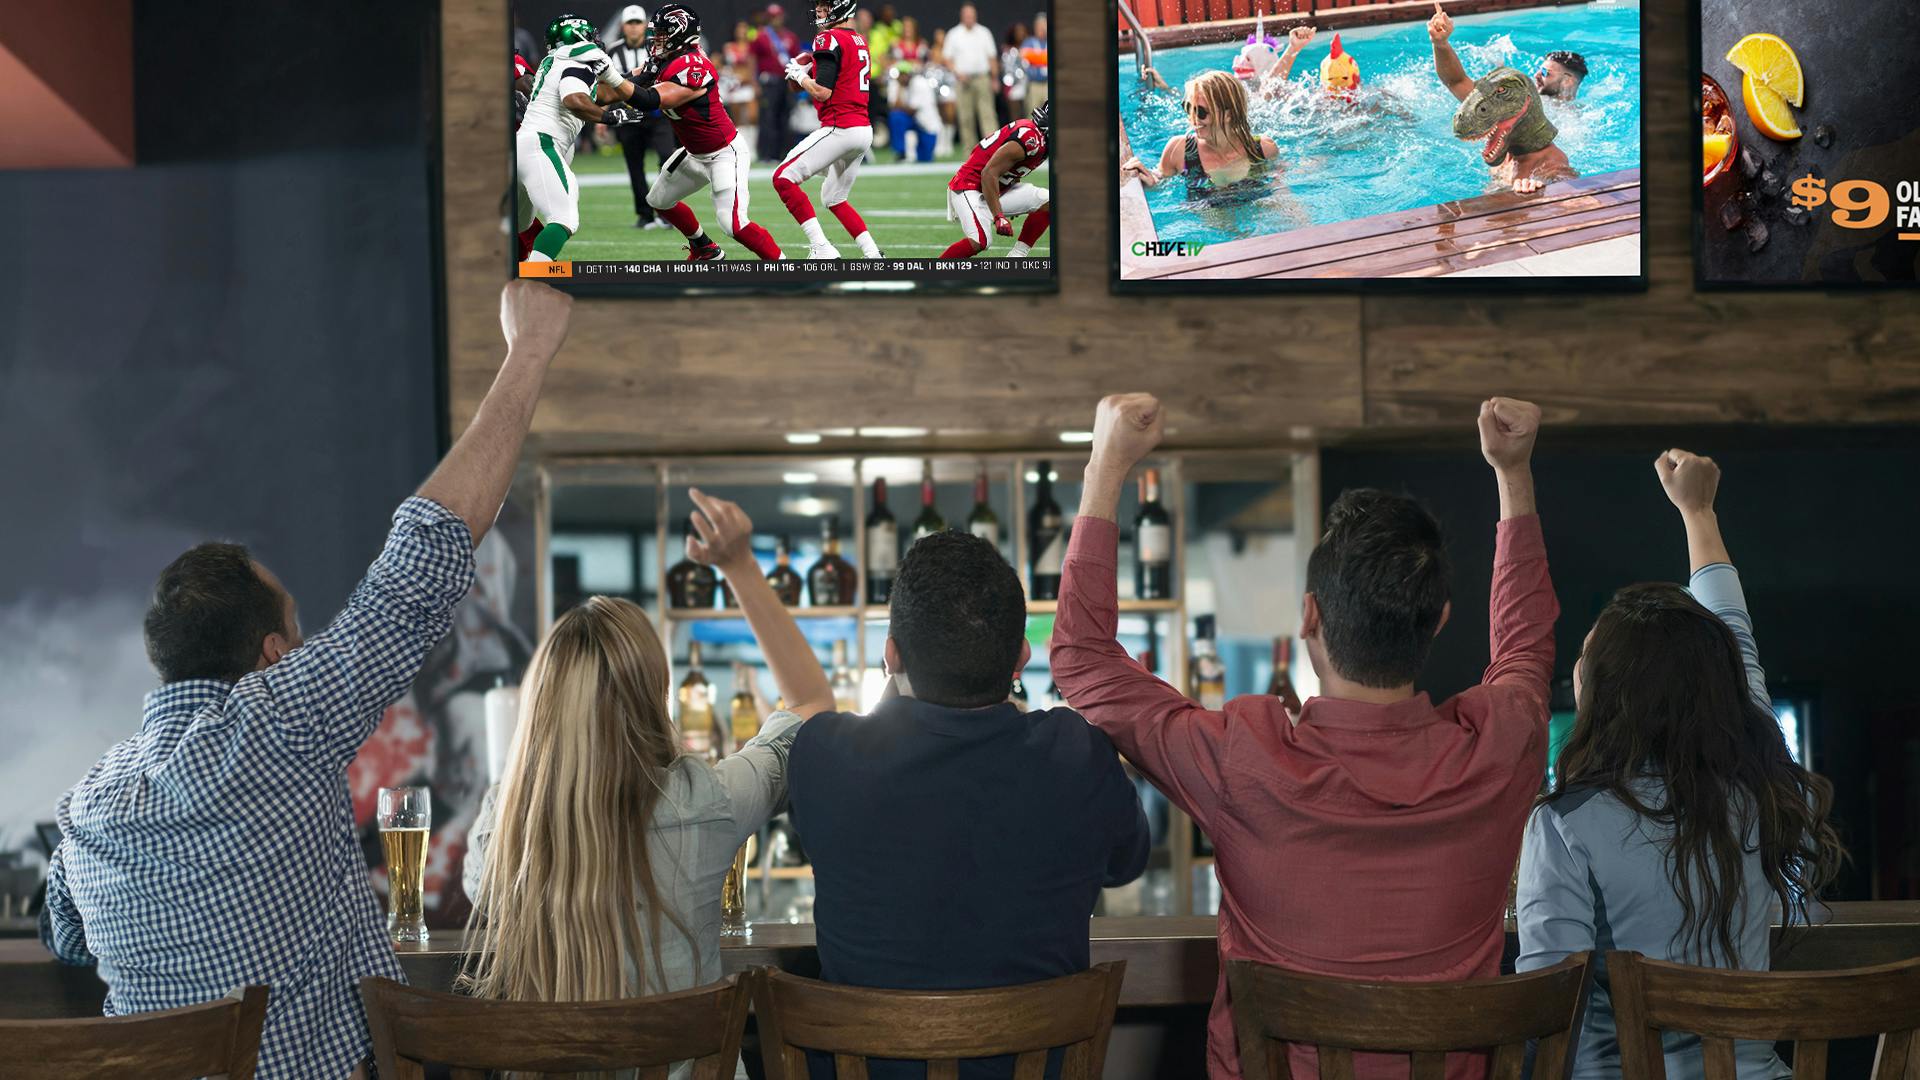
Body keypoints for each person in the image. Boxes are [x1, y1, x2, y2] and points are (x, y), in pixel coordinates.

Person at [37, 280, 576, 1080]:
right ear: (273, 655)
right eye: (298, 627)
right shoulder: (276, 722)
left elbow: (66, 937)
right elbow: (418, 568)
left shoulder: (87, 805)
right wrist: (528, 353)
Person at [1052, 393, 1558, 1080]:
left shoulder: (1245, 757)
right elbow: (1526, 646)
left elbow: (1081, 658)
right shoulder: (1503, 745)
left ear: (1309, 618)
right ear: (1438, 620)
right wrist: (1513, 473)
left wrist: (1106, 465)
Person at [462, 490, 832, 1077]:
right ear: (654, 698)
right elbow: (813, 705)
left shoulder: (501, 835)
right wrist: (738, 564)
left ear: (544, 708)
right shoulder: (707, 802)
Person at [1516, 450, 1845, 1080]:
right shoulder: (1761, 787)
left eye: (1589, 659)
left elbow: (1546, 1018)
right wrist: (1699, 512)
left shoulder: (1564, 827)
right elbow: (1735, 646)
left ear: (1601, 691)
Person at [787, 530, 1151, 1079]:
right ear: (1022, 657)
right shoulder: (1076, 754)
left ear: (891, 656)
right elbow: (1127, 864)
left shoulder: (824, 755)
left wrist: (895, 683)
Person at [637, 3, 786, 261]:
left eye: (662, 33)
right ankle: (704, 248)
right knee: (658, 200)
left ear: (679, 33)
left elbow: (650, 99)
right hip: (694, 153)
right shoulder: (665, 61)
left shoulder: (692, 64)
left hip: (723, 153)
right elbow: (632, 84)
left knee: (733, 224)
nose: (656, 39)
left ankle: (784, 267)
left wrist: (616, 83)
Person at [518, 13, 648, 262]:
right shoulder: (580, 60)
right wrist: (611, 119)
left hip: (526, 145)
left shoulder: (557, 61)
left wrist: (639, 76)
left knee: (519, 224)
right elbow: (574, 99)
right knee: (564, 218)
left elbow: (600, 94)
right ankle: (531, 282)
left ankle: (510, 277)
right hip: (542, 143)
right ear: (580, 37)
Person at [774, 0, 884, 260]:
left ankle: (821, 247)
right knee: (834, 198)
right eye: (820, 8)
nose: (820, 13)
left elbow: (823, 92)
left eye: (826, 8)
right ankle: (872, 253)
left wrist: (800, 76)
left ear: (841, 9)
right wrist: (804, 76)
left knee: (782, 178)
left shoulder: (828, 38)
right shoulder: (858, 39)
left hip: (840, 127)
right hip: (862, 130)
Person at [1121, 70, 1280, 204]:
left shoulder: (1262, 149)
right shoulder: (1179, 150)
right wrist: (1150, 179)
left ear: (1228, 114)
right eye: (1188, 108)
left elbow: (1281, 194)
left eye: (1201, 112)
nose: (1193, 118)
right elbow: (1160, 179)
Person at [941, 100, 1049, 259]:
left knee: (1048, 201)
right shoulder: (1031, 138)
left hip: (993, 188)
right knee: (981, 241)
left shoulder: (1041, 140)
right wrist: (999, 216)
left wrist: (1014, 192)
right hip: (970, 187)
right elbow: (988, 173)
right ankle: (934, 269)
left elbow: (1011, 169)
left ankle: (1017, 257)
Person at [607, 4, 679, 230]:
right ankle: (645, 214)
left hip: (658, 113)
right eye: (630, 23)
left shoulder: (658, 48)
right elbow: (606, 85)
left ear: (644, 26)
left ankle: (666, 211)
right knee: (634, 165)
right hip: (628, 115)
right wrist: (605, 116)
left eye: (638, 23)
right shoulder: (612, 51)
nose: (634, 28)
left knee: (668, 158)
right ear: (623, 26)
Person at [1429, 1, 1586, 103]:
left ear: (1568, 81)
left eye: (1545, 72)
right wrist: (1440, 44)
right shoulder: (1520, 104)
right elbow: (1457, 82)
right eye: (1539, 70)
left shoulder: (1581, 121)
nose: (1536, 75)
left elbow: (1457, 82)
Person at [942, 4, 999, 148]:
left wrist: (994, 78)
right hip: (962, 80)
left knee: (988, 116)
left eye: (971, 15)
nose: (969, 18)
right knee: (966, 119)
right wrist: (957, 73)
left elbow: (992, 57)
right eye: (967, 15)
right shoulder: (954, 34)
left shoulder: (984, 32)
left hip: (982, 78)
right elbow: (947, 59)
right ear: (962, 16)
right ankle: (970, 155)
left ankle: (993, 151)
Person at [751, 3, 802, 160]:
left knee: (785, 117)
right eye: (772, 17)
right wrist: (754, 82)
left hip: (786, 82)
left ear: (782, 17)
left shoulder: (791, 37)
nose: (776, 20)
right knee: (768, 118)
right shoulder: (761, 36)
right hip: (769, 82)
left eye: (778, 16)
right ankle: (767, 154)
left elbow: (796, 59)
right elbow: (752, 59)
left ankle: (784, 153)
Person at [888, 62, 940, 163]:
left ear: (910, 74)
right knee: (896, 117)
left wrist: (899, 105)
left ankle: (920, 153)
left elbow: (912, 110)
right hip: (912, 120)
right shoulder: (896, 84)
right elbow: (893, 107)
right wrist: (900, 89)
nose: (902, 77)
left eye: (904, 74)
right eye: (900, 75)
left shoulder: (920, 84)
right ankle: (901, 153)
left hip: (926, 124)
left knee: (925, 159)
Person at [1021, 15, 1048, 117]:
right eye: (1039, 26)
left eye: (1043, 26)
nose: (1041, 29)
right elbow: (1024, 60)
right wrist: (1043, 60)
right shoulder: (1029, 42)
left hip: (1048, 84)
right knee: (1032, 114)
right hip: (1034, 84)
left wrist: (1035, 59)